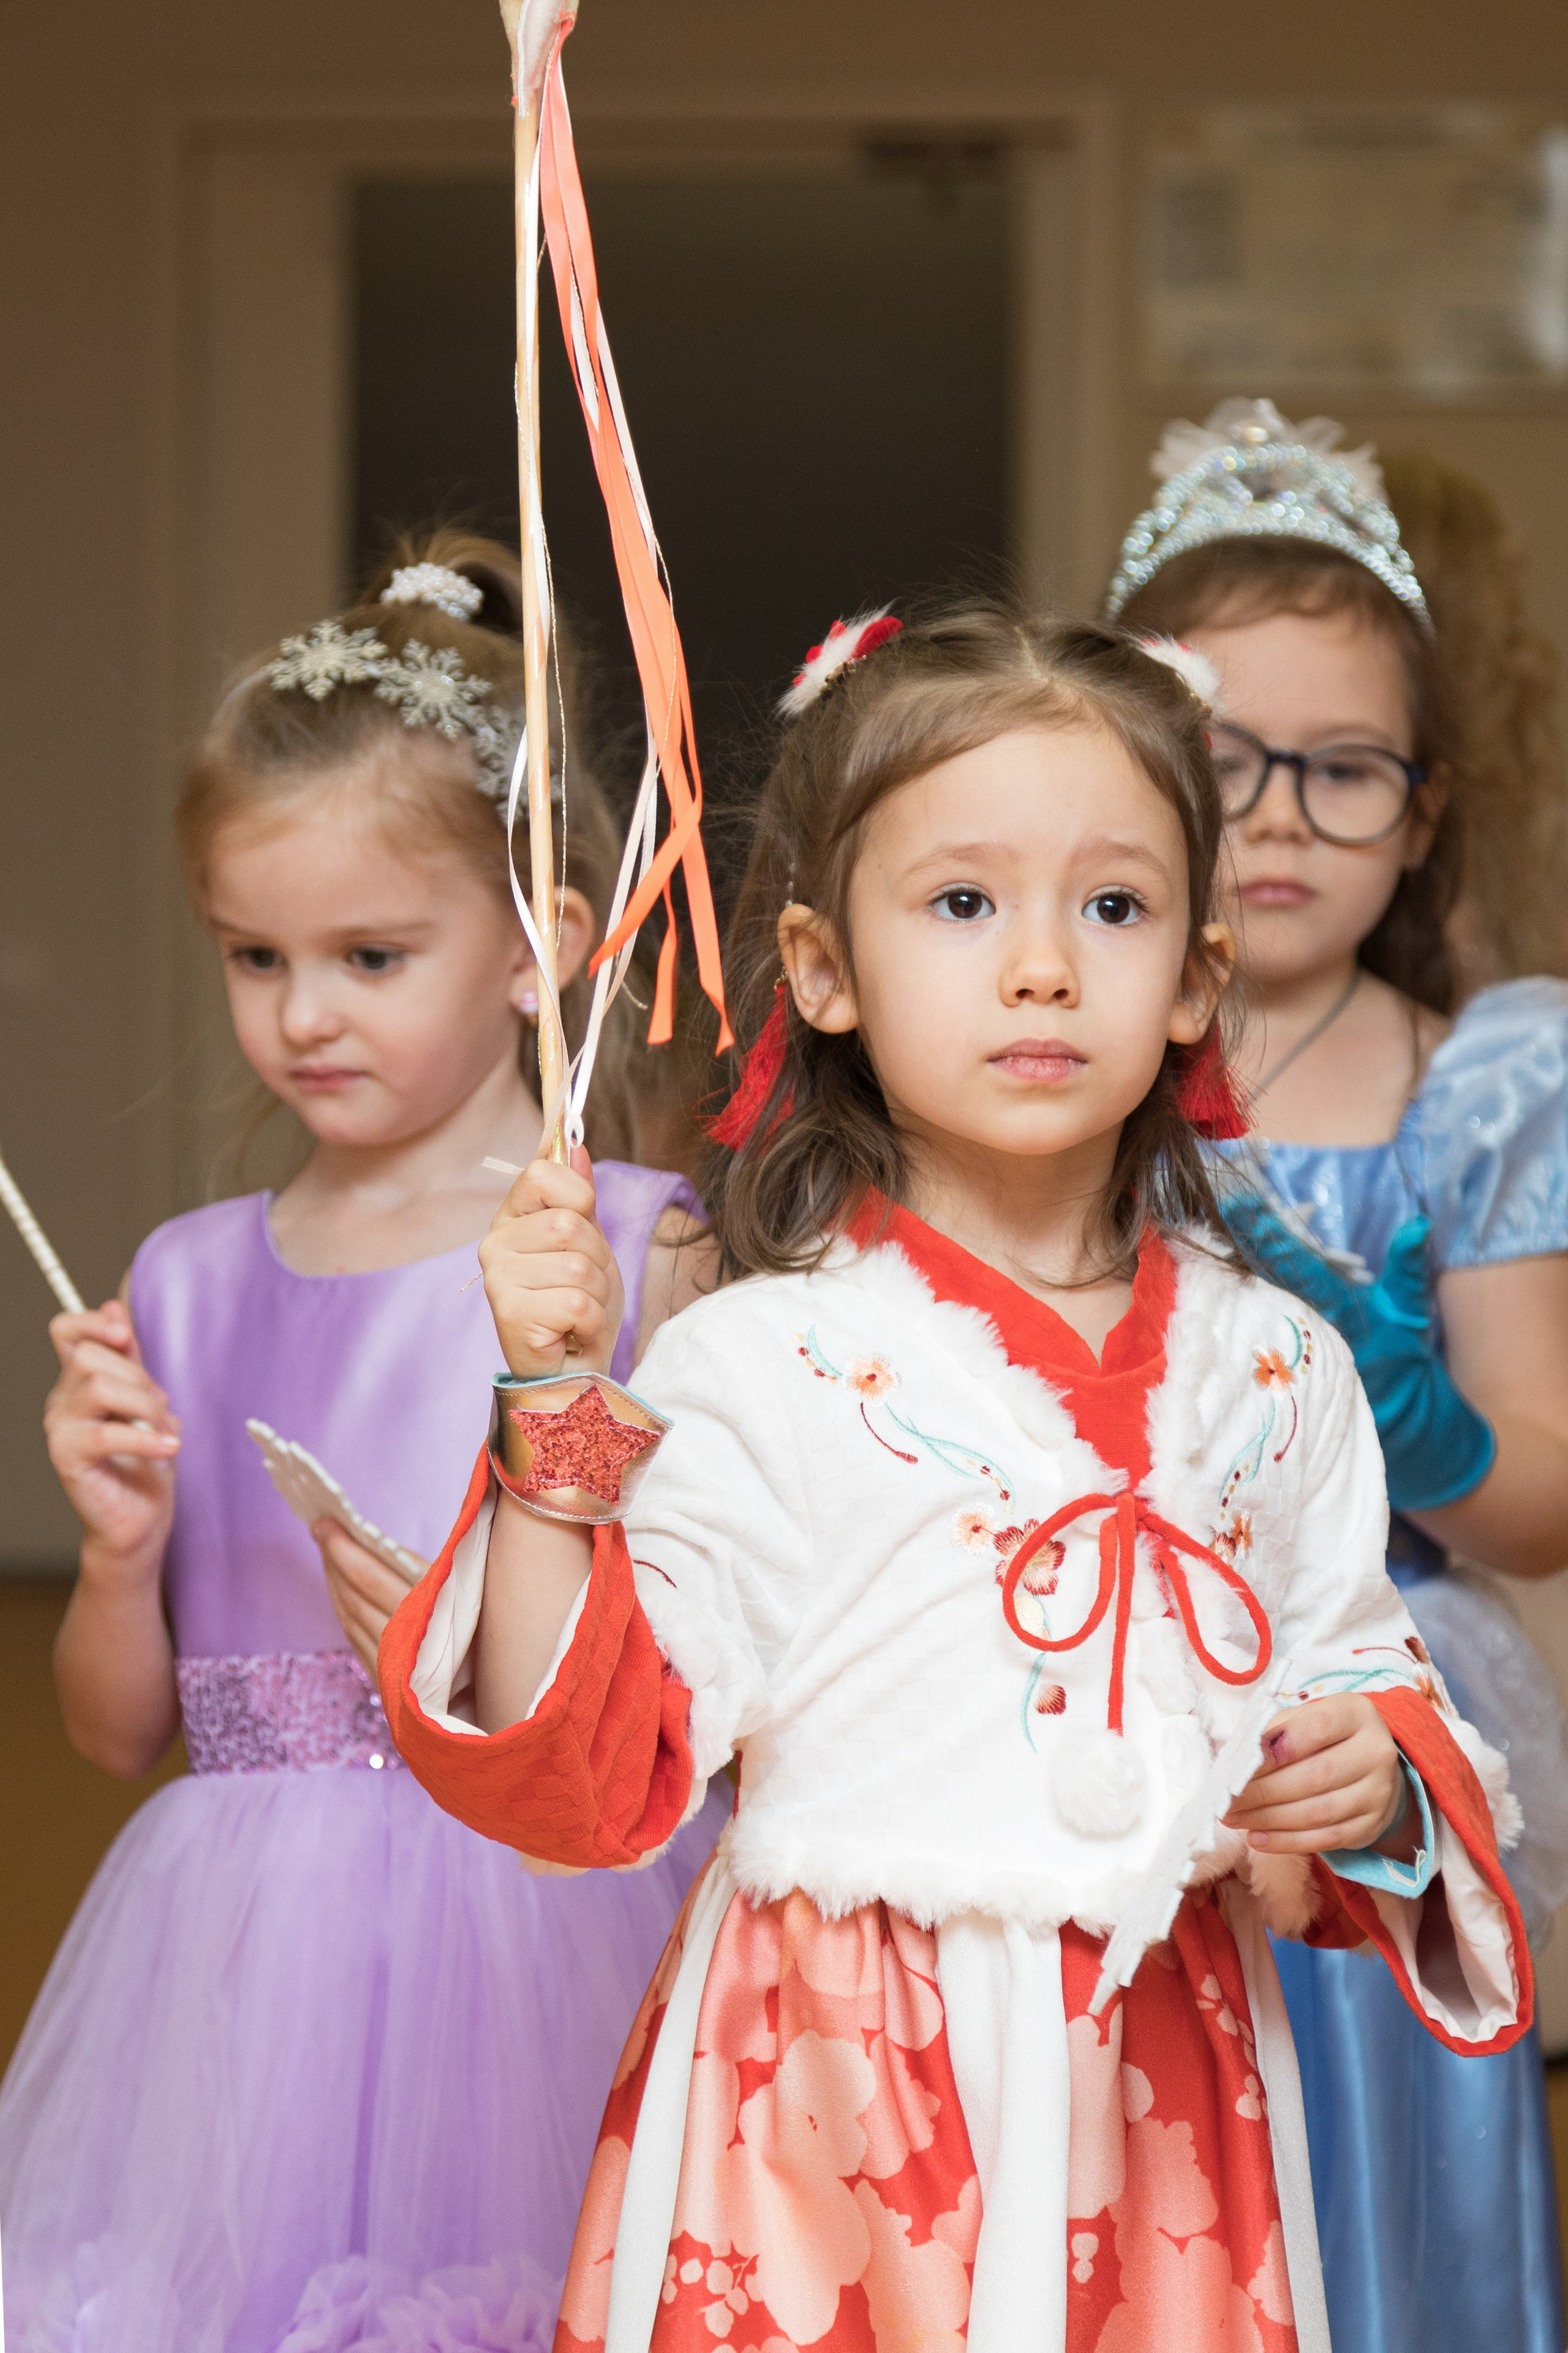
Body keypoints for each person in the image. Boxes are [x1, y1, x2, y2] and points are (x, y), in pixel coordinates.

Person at [380, 604, 1529, 2353]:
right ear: (822, 967)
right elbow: (585, 1767)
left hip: (1165, 2096)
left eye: (1116, 907)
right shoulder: (760, 1360)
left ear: (1197, 979)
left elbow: (1360, 1668)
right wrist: (554, 1405)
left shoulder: (1275, 1367)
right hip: (834, 2105)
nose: (1044, 966)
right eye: (964, 903)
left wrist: (1374, 1784)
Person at [0, 532, 730, 2353]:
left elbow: (715, 1668)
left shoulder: (636, 1249)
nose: (302, 1012)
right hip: (231, 1988)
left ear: (544, 947)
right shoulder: (186, 1281)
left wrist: (479, 1649)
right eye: (255, 955)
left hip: (536, 1938)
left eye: (370, 955)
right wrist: (115, 1548)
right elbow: (117, 1732)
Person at [1109, 400, 1568, 2353]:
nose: (1281, 815)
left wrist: (1417, 1410)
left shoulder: (1485, 1078)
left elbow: (1538, 1504)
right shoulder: (1064, 1059)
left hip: (1371, 1726)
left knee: (1353, 2206)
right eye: (1222, 762)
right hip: (1112, 1704)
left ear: (1427, 808)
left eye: (1346, 769)